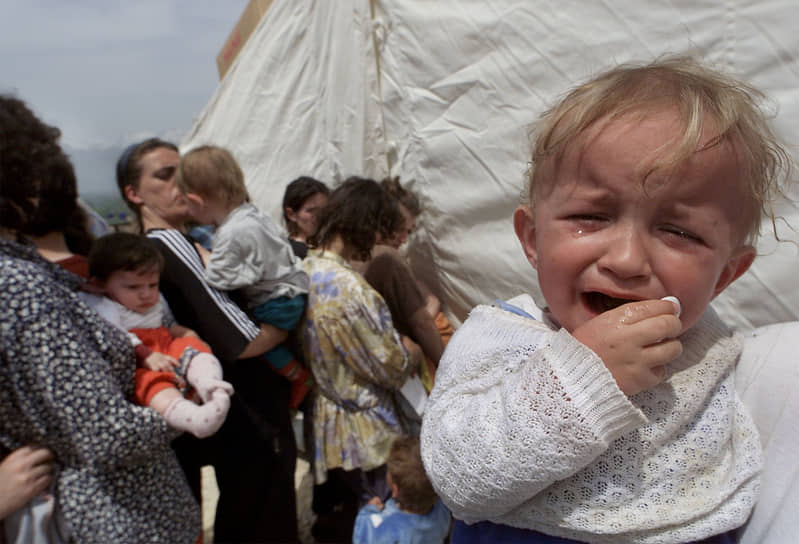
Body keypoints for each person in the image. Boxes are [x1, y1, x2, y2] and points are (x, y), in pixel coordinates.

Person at [421, 57, 791, 543]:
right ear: (532, 238)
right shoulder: (501, 337)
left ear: (725, 275)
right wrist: (584, 376)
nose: (627, 259)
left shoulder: (718, 358)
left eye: (678, 231)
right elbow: (459, 476)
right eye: (592, 217)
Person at [0, 97, 200, 543]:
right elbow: (108, 435)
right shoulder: (18, 284)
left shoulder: (24, 269)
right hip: (119, 515)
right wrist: (189, 394)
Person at [116, 137, 299, 543]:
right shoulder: (169, 243)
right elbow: (241, 339)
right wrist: (288, 322)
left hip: (230, 411)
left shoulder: (171, 246)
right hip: (249, 410)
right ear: (134, 194)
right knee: (261, 519)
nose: (180, 183)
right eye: (165, 176)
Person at [300, 176, 422, 541]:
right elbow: (391, 367)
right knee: (385, 521)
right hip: (370, 432)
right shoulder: (350, 289)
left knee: (362, 514)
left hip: (331, 422)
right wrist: (411, 350)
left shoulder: (306, 270)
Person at [176, 145, 312, 410]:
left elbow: (217, 279)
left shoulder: (230, 233)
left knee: (259, 343)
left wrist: (204, 257)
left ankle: (296, 375)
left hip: (276, 303)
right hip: (293, 290)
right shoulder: (254, 214)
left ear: (195, 201)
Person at [87, 232, 233, 438]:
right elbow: (116, 335)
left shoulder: (157, 300)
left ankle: (211, 386)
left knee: (192, 348)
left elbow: (167, 323)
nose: (146, 294)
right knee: (150, 383)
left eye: (152, 285)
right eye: (133, 287)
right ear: (100, 284)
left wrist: (184, 333)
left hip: (166, 347)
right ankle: (194, 418)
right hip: (141, 360)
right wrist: (146, 354)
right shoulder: (105, 306)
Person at [353, 436, 451, 544]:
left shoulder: (380, 526)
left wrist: (369, 510)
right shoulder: (442, 511)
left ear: (395, 490)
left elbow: (363, 535)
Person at [283, 176, 330, 259]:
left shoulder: (326, 246)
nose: (319, 216)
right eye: (311, 210)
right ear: (291, 214)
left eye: (323, 210)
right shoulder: (292, 253)